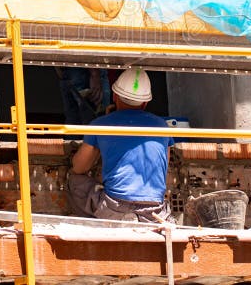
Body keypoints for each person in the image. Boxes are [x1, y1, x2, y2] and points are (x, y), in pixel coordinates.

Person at [66, 68, 173, 223]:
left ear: (115, 96)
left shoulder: (100, 125)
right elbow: (164, 167)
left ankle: (97, 222)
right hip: (155, 211)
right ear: (145, 103)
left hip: (114, 207)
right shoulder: (162, 126)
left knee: (74, 180)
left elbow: (79, 168)